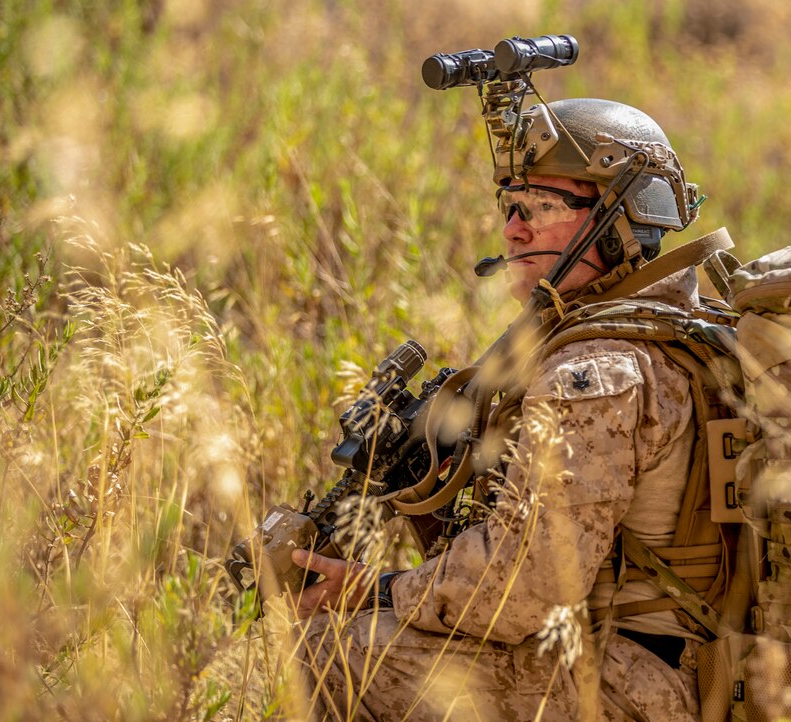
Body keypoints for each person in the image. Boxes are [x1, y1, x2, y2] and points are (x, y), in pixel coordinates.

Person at [293, 98, 733, 720]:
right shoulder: (690, 327)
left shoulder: (594, 373)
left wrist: (375, 590)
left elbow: (524, 590)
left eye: (543, 208)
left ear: (619, 220)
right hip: (698, 668)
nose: (514, 230)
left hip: (650, 686)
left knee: (334, 649)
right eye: (511, 207)